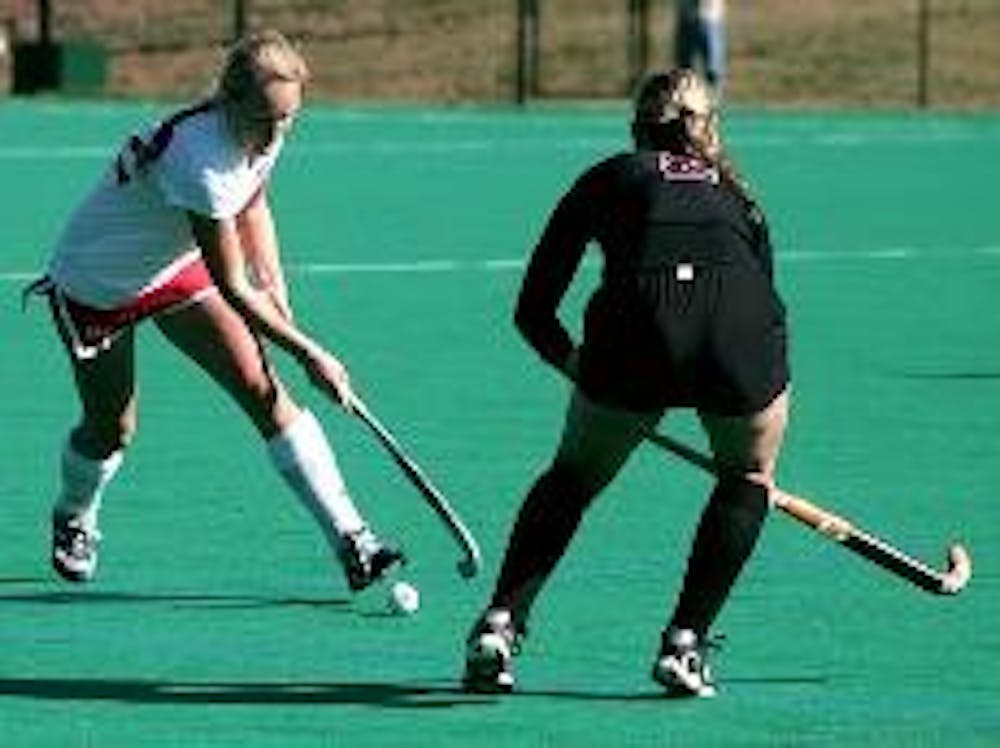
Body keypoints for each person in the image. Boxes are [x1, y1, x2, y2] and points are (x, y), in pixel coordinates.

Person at [25, 29, 403, 592]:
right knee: (112, 429)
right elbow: (231, 285)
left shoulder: (261, 127)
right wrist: (311, 351)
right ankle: (73, 516)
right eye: (266, 120)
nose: (276, 133)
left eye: (289, 119)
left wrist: (278, 289)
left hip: (172, 268)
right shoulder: (201, 159)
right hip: (99, 280)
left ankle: (354, 540)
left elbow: (253, 202)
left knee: (262, 387)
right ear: (232, 103)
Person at [462, 68, 789, 698]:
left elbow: (533, 309)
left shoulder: (610, 175)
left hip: (633, 333)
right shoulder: (742, 198)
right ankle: (685, 644)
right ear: (711, 131)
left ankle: (501, 623)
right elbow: (760, 295)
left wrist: (579, 366)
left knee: (575, 476)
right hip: (739, 333)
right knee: (746, 479)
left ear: (637, 130)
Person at [674, 0, 726, 96]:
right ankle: (686, 100)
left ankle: (713, 101)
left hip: (710, 18)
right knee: (684, 70)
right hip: (686, 17)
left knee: (713, 70)